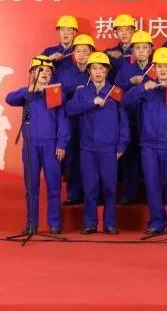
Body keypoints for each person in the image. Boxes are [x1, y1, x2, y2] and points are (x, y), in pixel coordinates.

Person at [123, 47, 167, 234]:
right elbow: (125, 101)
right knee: (152, 185)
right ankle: (156, 221)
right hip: (149, 145)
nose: (163, 70)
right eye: (159, 66)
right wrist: (141, 88)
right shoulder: (147, 89)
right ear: (154, 68)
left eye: (166, 66)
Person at [66, 52, 130, 234]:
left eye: (102, 68)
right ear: (89, 71)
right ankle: (90, 223)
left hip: (109, 149)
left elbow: (124, 123)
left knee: (109, 188)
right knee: (90, 188)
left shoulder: (115, 93)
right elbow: (70, 109)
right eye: (94, 68)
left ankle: (109, 223)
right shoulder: (82, 92)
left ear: (107, 71)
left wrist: (122, 145)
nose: (98, 72)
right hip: (88, 148)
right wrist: (91, 102)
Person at [6, 55, 70, 235]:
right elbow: (9, 99)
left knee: (54, 187)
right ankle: (31, 224)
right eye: (41, 70)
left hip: (51, 146)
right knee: (31, 187)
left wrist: (61, 144)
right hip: (30, 147)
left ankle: (54, 224)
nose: (45, 73)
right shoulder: (27, 94)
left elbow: (63, 121)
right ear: (33, 73)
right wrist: (30, 90)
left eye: (48, 71)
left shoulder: (56, 94)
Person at [114, 30, 155, 205]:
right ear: (133, 50)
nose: (141, 51)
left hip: (152, 122)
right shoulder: (126, 69)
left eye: (145, 48)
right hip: (130, 120)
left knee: (152, 161)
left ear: (150, 50)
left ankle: (154, 197)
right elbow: (115, 92)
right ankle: (129, 194)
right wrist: (130, 82)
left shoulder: (158, 67)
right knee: (130, 159)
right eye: (137, 48)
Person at [55, 33, 95, 205]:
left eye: (85, 51)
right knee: (72, 160)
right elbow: (56, 96)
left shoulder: (97, 71)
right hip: (71, 121)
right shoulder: (64, 73)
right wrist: (73, 92)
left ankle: (92, 194)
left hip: (92, 122)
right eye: (78, 51)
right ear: (73, 53)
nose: (81, 55)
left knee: (91, 160)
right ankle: (73, 194)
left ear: (92, 53)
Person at [104, 13, 136, 80]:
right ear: (116, 32)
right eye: (120, 30)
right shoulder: (109, 54)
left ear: (133, 31)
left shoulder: (141, 52)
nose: (124, 33)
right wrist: (107, 54)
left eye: (127, 29)